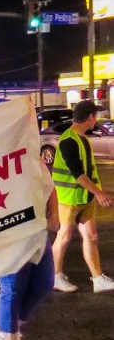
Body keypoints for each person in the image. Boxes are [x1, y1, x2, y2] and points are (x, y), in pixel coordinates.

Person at [0, 159, 59, 340]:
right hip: (9, 234)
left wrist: (54, 213)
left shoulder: (30, 155)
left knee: (44, 283)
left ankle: (7, 327)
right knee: (12, 287)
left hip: (36, 231)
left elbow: (50, 188)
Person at [51, 99, 114, 293]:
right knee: (64, 235)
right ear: (91, 117)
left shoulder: (81, 138)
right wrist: (100, 193)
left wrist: (94, 194)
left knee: (92, 236)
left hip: (85, 198)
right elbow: (78, 174)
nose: (96, 120)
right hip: (69, 198)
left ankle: (97, 279)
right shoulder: (69, 140)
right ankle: (55, 276)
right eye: (96, 116)